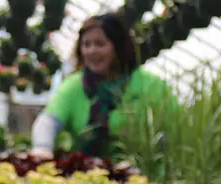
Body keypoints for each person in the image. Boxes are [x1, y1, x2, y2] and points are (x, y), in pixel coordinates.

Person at [31, 13, 178, 159]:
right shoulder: (75, 85)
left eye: (100, 44)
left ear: (118, 48)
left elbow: (176, 130)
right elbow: (49, 121)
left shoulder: (151, 85)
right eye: (86, 44)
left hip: (142, 176)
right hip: (85, 175)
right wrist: (42, 148)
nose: (91, 51)